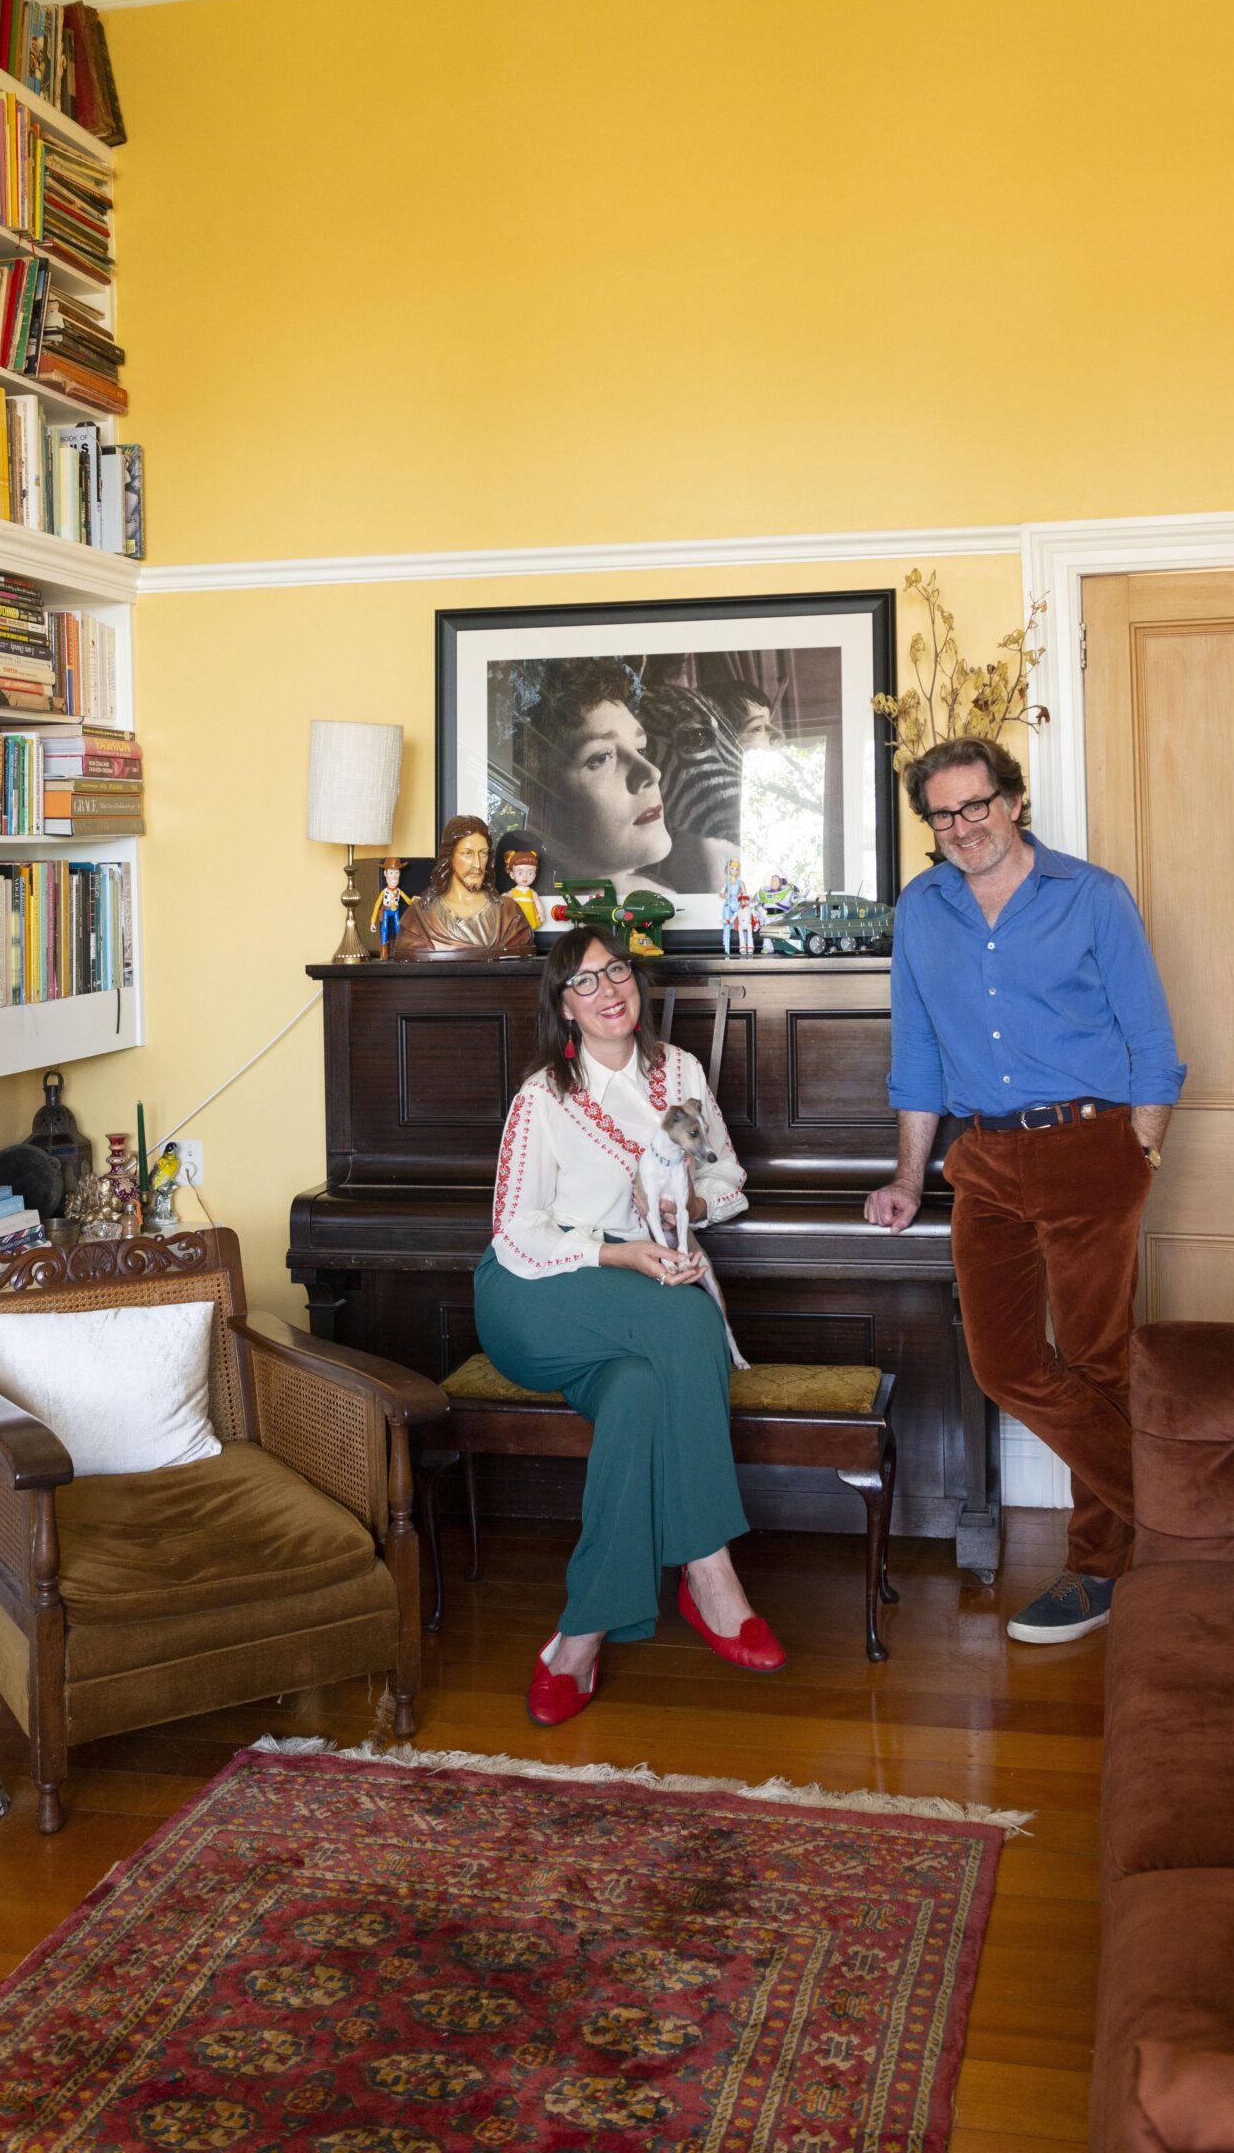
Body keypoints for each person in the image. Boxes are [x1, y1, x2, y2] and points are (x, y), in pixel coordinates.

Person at [864, 736, 1185, 1645]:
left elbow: (1151, 1042)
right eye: (942, 815)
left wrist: (1141, 1156)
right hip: (983, 1160)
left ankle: (1096, 1570)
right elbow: (917, 1056)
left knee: (1096, 1361)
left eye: (976, 806)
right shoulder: (922, 911)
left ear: (1011, 800)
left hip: (1092, 1148)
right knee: (1003, 1363)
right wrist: (904, 1177)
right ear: (927, 824)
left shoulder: (1091, 895)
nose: (962, 828)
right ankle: (1191, 1516)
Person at [476, 924, 787, 1722]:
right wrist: (623, 1255)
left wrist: (692, 1204)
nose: (607, 990)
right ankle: (710, 1574)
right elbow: (515, 1230)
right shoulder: (542, 1097)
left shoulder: (678, 1071)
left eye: (616, 972)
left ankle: (577, 1636)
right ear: (564, 1007)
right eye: (584, 982)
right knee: (685, 1326)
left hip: (639, 1302)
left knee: (641, 1394)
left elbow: (726, 1173)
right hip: (541, 1292)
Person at [517, 659, 673, 890]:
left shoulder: (668, 896)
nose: (652, 773)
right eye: (601, 758)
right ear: (536, 808)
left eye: (641, 749)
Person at [392, 816, 534, 960]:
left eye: (483, 853)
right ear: (449, 856)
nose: (477, 865)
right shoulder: (419, 916)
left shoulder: (509, 913)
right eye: (467, 853)